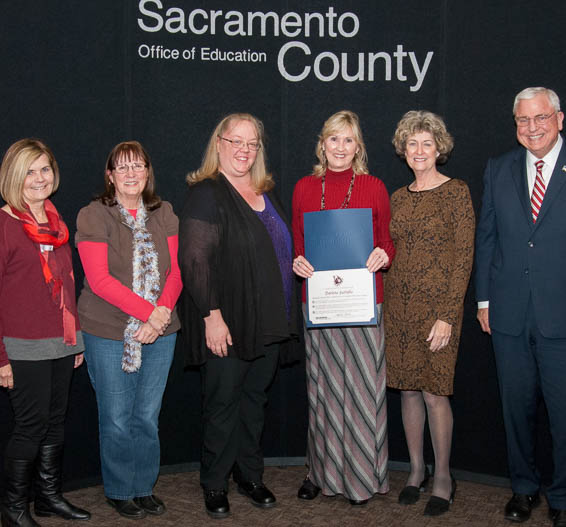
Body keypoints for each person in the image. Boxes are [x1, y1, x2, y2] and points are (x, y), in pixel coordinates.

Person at [178, 113, 297, 519]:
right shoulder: (207, 192)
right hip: (228, 321)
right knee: (222, 403)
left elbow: (277, 249)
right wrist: (212, 315)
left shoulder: (266, 191)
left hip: (267, 322)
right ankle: (214, 483)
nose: (244, 150)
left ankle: (249, 476)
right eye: (236, 142)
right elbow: (193, 259)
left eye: (252, 143)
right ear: (219, 144)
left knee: (254, 401)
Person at [292, 110, 394, 505]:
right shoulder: (304, 187)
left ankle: (365, 477)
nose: (340, 147)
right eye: (333, 139)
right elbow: (299, 243)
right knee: (323, 390)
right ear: (322, 144)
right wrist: (298, 261)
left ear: (358, 147)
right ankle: (319, 473)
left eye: (348, 140)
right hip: (319, 304)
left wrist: (383, 255)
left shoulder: (374, 187)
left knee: (364, 390)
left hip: (365, 303)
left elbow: (388, 242)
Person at [75, 141, 182, 520]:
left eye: (138, 166)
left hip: (162, 330)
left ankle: (142, 487)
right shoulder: (93, 215)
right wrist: (149, 314)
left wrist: (161, 315)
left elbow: (175, 272)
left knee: (147, 416)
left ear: (148, 172)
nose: (131, 174)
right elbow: (100, 280)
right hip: (108, 330)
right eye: (122, 168)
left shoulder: (163, 211)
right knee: (118, 417)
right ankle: (120, 489)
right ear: (110, 176)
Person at [475, 87, 566, 527]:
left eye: (541, 118)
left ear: (559, 119)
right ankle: (524, 489)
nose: (532, 128)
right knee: (516, 409)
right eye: (523, 121)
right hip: (508, 313)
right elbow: (487, 237)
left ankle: (563, 495)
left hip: (560, 315)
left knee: (563, 412)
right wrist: (485, 299)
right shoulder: (499, 169)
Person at [385, 111, 474, 516]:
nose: (419, 151)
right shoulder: (397, 197)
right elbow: (390, 251)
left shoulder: (457, 192)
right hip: (399, 308)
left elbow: (464, 259)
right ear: (404, 150)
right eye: (412, 144)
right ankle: (416, 471)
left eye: (427, 143)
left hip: (439, 311)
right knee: (407, 391)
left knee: (436, 394)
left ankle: (443, 477)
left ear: (439, 147)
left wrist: (448, 315)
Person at [0, 139, 90, 526]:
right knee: (31, 427)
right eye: (30, 171)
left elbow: (67, 283)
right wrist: (0, 358)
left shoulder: (56, 223)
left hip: (61, 341)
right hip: (21, 346)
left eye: (45, 169)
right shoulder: (5, 225)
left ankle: (48, 497)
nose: (39, 179)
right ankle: (13, 507)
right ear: (14, 177)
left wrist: (77, 338)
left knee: (56, 422)